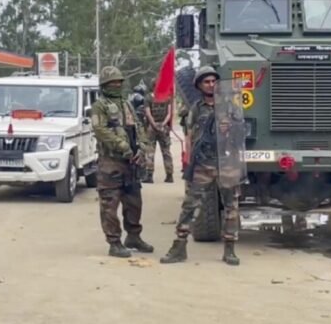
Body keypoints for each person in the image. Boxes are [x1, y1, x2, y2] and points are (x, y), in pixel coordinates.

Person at [160, 66, 241, 266]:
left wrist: (230, 129)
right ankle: (179, 247)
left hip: (226, 163)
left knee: (231, 207)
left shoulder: (229, 107)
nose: (211, 85)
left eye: (214, 81)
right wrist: (188, 162)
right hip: (203, 163)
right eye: (206, 82)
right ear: (199, 85)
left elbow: (241, 134)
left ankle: (230, 249)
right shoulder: (196, 109)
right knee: (190, 206)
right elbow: (189, 136)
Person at [91, 66, 154, 258]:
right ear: (104, 85)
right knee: (109, 205)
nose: (116, 85)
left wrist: (142, 146)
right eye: (112, 83)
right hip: (111, 162)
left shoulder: (126, 104)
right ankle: (114, 242)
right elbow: (100, 130)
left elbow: (138, 126)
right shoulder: (100, 106)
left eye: (119, 82)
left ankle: (133, 237)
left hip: (131, 163)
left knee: (134, 202)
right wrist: (122, 146)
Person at [144, 79, 174, 184]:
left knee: (150, 151)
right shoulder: (167, 97)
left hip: (151, 128)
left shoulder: (148, 98)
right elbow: (169, 114)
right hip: (164, 128)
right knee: (166, 151)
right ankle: (169, 175)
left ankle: (149, 175)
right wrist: (163, 124)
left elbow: (148, 113)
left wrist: (153, 125)